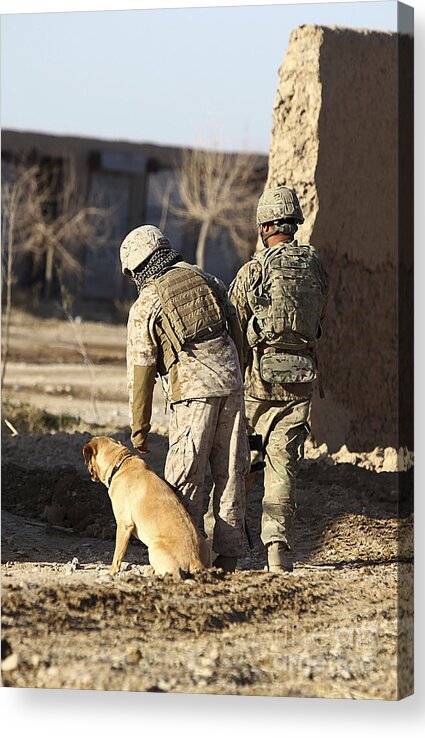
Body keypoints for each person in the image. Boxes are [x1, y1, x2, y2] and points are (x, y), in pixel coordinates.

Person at [120, 225, 249, 573]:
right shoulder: (208, 278)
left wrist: (139, 429)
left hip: (193, 392)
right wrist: (237, 375)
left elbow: (142, 372)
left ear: (136, 267)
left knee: (184, 475)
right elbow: (236, 331)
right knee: (231, 471)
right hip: (232, 383)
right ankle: (229, 555)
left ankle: (185, 554)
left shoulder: (146, 302)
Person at [229, 186, 328, 573]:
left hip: (258, 386)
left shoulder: (254, 270)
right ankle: (277, 552)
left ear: (266, 226)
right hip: (301, 381)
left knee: (238, 463)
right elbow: (318, 320)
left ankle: (221, 548)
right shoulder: (316, 266)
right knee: (283, 464)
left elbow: (235, 327)